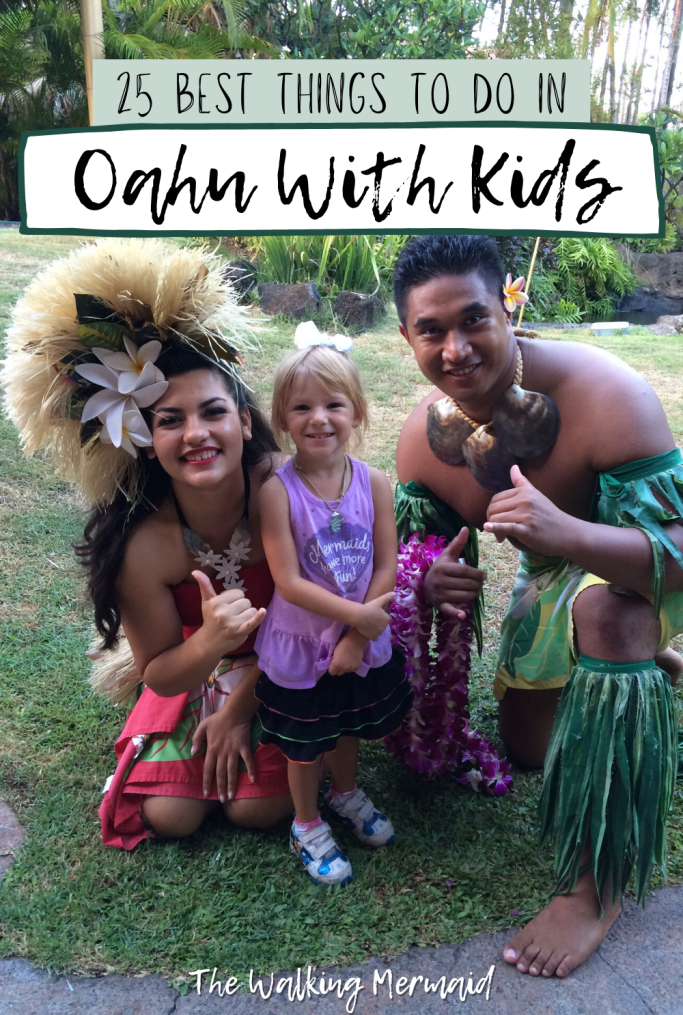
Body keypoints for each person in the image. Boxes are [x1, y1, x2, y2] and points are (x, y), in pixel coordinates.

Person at [393, 234, 683, 978]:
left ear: (507, 310)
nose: (455, 349)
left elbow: (676, 555)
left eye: (473, 320)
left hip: (643, 575)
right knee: (530, 749)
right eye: (432, 330)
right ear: (406, 336)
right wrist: (429, 580)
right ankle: (654, 669)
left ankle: (596, 888)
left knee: (607, 616)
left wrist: (567, 530)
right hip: (550, 573)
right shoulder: (419, 443)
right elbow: (412, 564)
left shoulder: (606, 395)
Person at [2, 239, 292, 849]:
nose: (196, 434)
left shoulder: (285, 497)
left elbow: (316, 630)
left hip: (290, 669)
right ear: (144, 437)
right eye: (169, 420)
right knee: (170, 817)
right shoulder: (146, 545)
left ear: (243, 420)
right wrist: (212, 641)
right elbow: (160, 672)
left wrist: (242, 707)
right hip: (196, 671)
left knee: (257, 811)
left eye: (213, 412)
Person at [254, 340, 413, 886]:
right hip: (301, 646)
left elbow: (387, 561)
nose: (319, 418)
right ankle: (305, 822)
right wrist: (360, 620)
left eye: (333, 405)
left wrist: (356, 635)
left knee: (347, 726)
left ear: (357, 412)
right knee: (307, 742)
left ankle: (345, 793)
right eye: (302, 407)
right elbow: (288, 582)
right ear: (282, 418)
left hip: (358, 637)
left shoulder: (373, 483)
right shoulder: (278, 493)